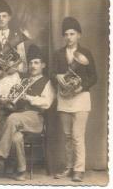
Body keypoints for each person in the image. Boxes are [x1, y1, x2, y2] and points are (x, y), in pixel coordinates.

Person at [0, 44, 55, 181]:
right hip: (20, 118)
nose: (33, 66)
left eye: (37, 63)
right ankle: (22, 171)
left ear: (43, 65)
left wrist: (28, 97)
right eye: (31, 63)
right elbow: (13, 98)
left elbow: (47, 103)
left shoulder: (47, 82)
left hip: (36, 118)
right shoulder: (24, 80)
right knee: (16, 137)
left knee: (13, 118)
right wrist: (6, 100)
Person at [52, 17, 97, 182]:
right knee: (67, 136)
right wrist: (57, 76)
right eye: (66, 34)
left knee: (78, 136)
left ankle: (79, 169)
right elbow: (51, 73)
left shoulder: (87, 53)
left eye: (72, 34)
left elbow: (94, 77)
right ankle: (69, 167)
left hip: (81, 98)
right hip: (64, 98)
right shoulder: (57, 54)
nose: (69, 37)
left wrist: (81, 87)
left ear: (79, 35)